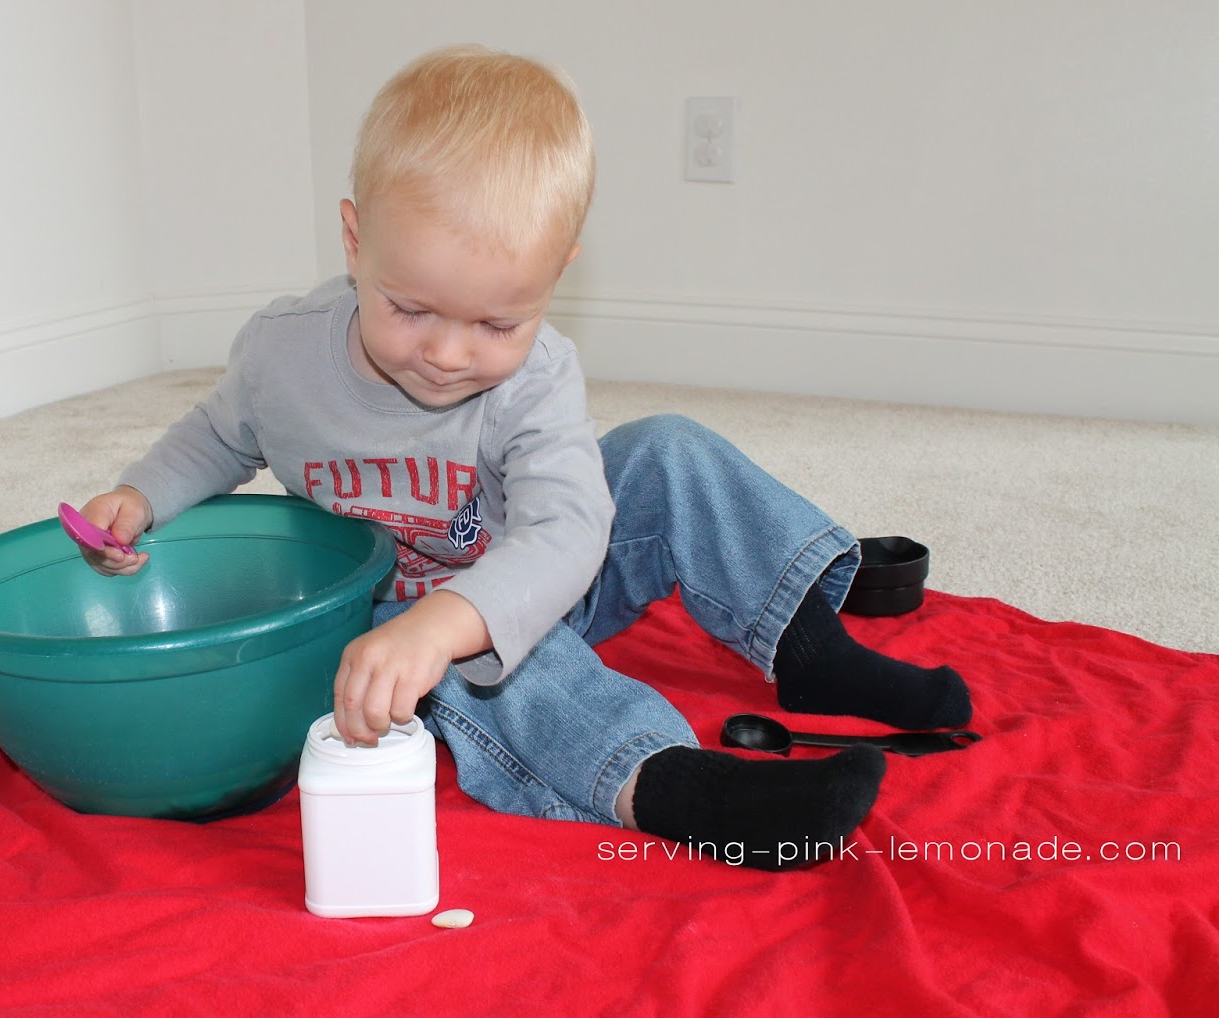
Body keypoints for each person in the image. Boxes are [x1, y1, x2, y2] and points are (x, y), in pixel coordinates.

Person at [73, 44, 971, 870]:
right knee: (498, 666)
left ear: (556, 279)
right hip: (391, 621)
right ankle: (675, 786)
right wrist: (141, 496)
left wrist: (465, 606)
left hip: (543, 569)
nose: (451, 354)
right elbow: (217, 433)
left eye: (498, 322)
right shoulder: (283, 357)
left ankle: (808, 647)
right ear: (355, 243)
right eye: (411, 308)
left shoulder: (537, 377)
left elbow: (568, 530)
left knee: (668, 450)